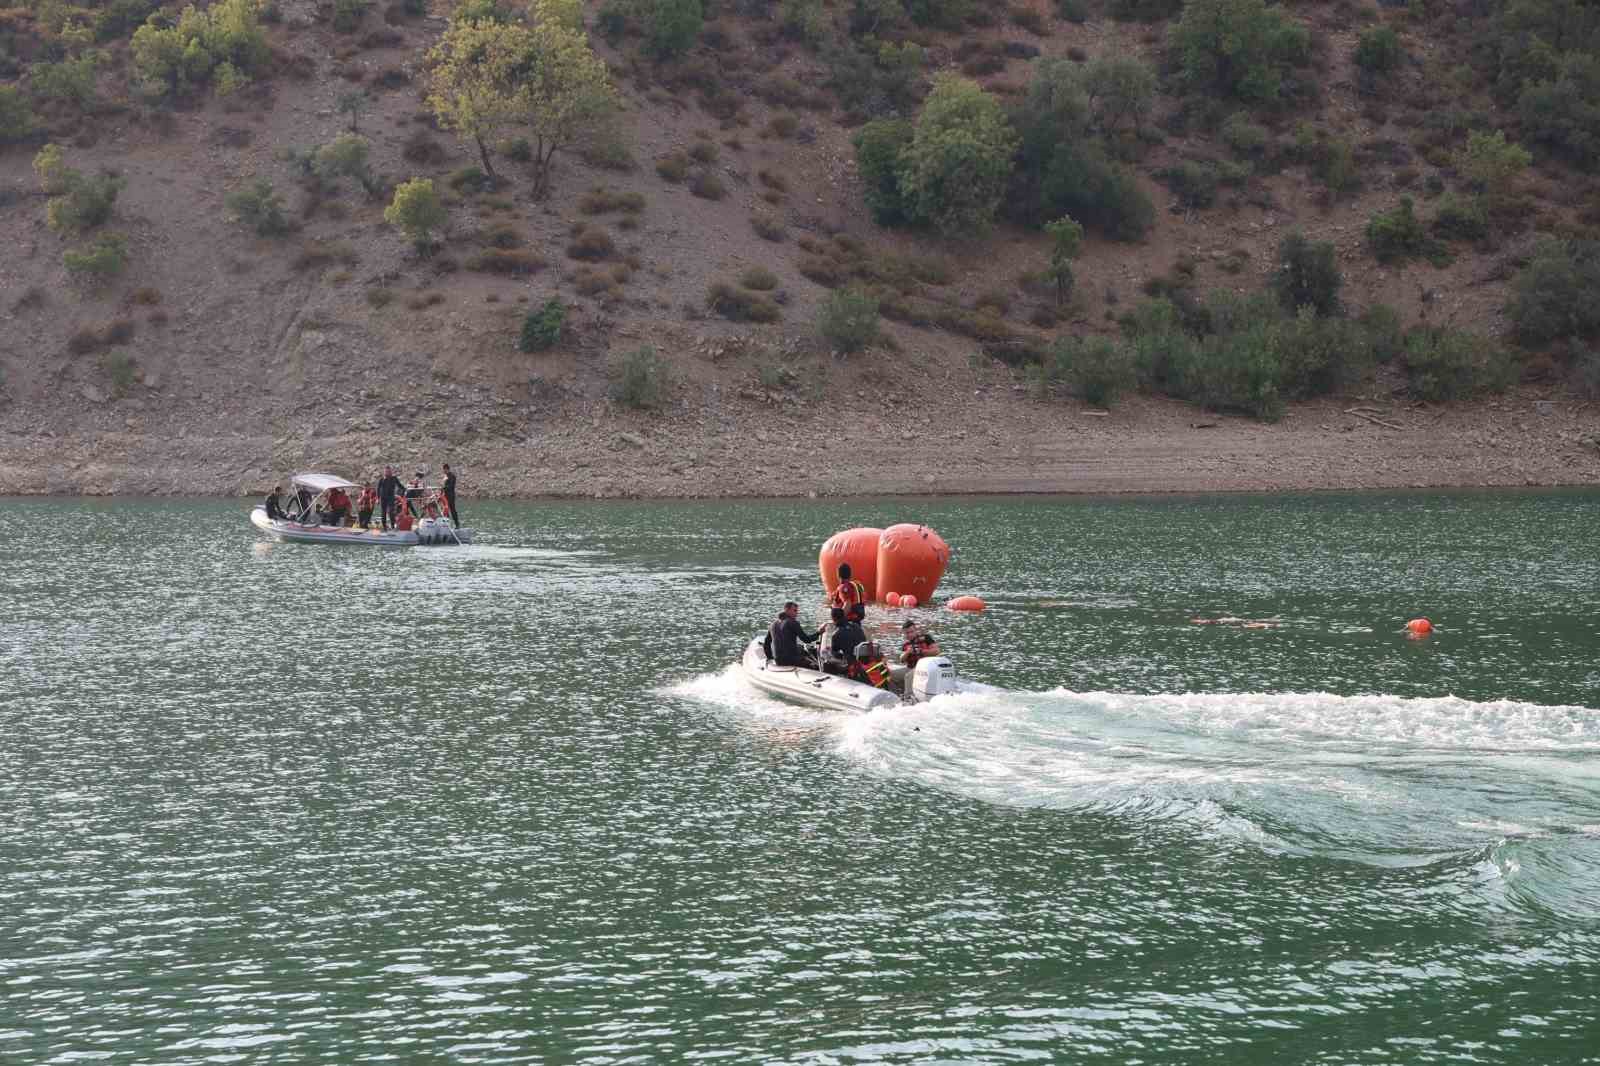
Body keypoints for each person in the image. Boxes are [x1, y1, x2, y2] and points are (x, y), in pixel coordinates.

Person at [764, 601, 824, 669]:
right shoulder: (793, 622)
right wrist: (819, 633)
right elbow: (806, 640)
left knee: (799, 648)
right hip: (792, 660)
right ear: (787, 610)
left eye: (797, 611)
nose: (796, 614)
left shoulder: (773, 624)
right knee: (817, 666)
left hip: (778, 660)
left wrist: (770, 658)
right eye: (794, 611)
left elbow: (766, 644)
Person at [442, 462, 461, 528]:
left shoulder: (452, 476)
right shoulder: (445, 476)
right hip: (445, 495)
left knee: (452, 510)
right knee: (446, 510)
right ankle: (447, 524)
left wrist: (444, 487)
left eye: (444, 470)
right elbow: (444, 485)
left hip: (451, 495)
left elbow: (451, 486)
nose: (443, 471)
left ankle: (457, 524)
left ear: (446, 469)